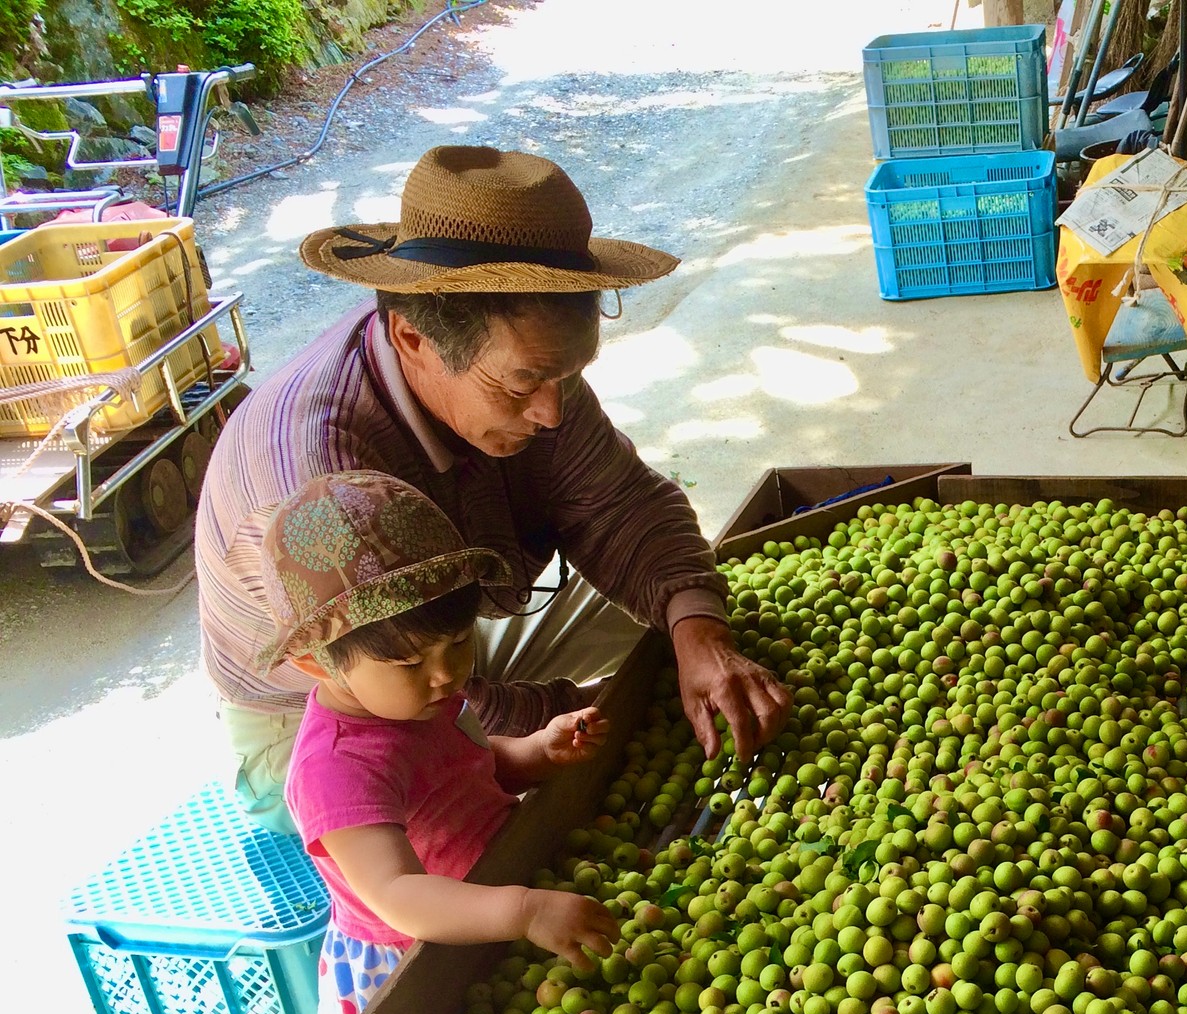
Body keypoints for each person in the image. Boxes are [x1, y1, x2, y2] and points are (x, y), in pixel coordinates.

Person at [197, 144, 789, 835]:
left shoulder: (532, 374)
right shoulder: (320, 485)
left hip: (443, 627)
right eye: (521, 384)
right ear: (413, 338)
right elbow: (425, 690)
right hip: (344, 708)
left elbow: (622, 503)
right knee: (483, 829)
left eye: (564, 375)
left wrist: (699, 634)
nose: (552, 413)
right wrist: (614, 714)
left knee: (691, 607)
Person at [257, 471, 621, 1014]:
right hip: (415, 961)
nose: (446, 673)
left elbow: (467, 770)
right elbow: (399, 896)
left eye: (457, 642)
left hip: (501, 900)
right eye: (409, 663)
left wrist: (535, 753)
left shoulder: (422, 701)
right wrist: (522, 911)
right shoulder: (337, 770)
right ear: (317, 663)